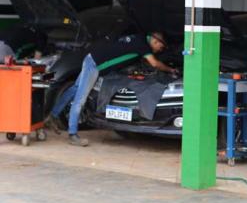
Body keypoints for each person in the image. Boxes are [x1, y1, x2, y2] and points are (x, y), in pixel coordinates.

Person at [48, 32, 177, 147]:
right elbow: (154, 63)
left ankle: (53, 116)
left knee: (74, 89)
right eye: (161, 47)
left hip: (91, 58)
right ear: (156, 41)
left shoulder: (138, 38)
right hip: (94, 65)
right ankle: (73, 134)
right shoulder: (143, 44)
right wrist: (170, 70)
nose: (159, 51)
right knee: (80, 99)